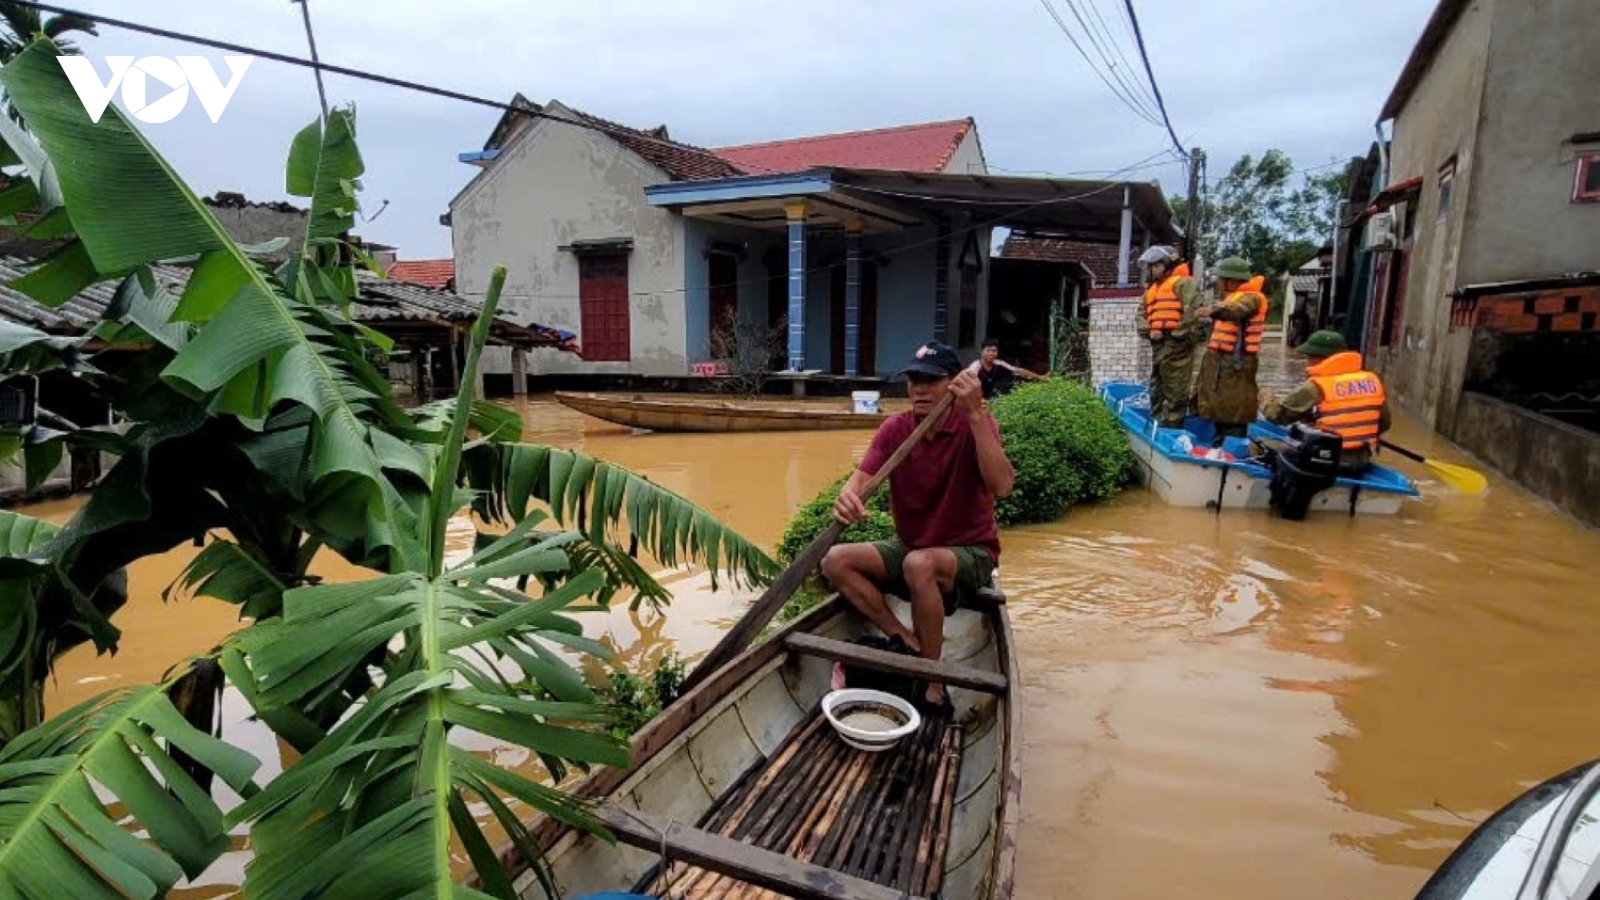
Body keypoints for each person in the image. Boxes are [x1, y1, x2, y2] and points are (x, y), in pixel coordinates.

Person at [821, 340, 1015, 718]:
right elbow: (861, 478)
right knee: (835, 561)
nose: (919, 390)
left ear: (954, 383)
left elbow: (1003, 486)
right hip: (912, 547)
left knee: (919, 566)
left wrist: (975, 415)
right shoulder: (897, 429)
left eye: (930, 381)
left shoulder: (975, 424)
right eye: (913, 381)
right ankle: (906, 639)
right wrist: (848, 496)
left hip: (970, 553)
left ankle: (933, 682)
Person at [1263, 329, 1392, 474]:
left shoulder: (1316, 386)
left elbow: (1276, 415)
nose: (1307, 362)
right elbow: (1384, 424)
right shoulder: (1372, 381)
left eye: (1309, 357)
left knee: (1261, 444)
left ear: (1321, 358)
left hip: (1326, 461)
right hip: (1361, 460)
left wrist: (1266, 399)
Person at [1194, 257, 1269, 443]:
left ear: (1233, 281)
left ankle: (1232, 446)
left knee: (1234, 407)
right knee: (1219, 404)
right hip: (1221, 362)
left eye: (1221, 280)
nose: (1218, 284)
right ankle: (1220, 441)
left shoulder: (1252, 298)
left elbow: (1236, 310)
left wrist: (1212, 310)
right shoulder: (1232, 298)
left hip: (1236, 363)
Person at [1135, 245, 1204, 427]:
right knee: (1156, 387)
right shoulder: (1152, 289)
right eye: (1151, 266)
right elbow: (1141, 314)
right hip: (1158, 344)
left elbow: (1193, 311)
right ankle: (1157, 424)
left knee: (1175, 389)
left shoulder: (1183, 283)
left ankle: (1171, 429)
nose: (1152, 269)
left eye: (1156, 265)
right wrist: (1149, 331)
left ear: (1167, 264)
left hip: (1177, 344)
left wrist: (1175, 333)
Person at [966, 337, 1046, 400]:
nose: (991, 353)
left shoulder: (998, 363)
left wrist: (1039, 377)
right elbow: (967, 385)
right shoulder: (975, 366)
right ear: (981, 351)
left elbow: (1018, 371)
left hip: (989, 399)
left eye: (994, 351)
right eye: (988, 350)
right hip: (974, 400)